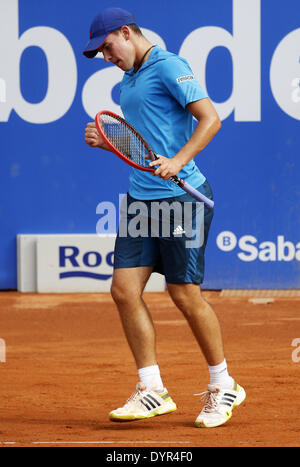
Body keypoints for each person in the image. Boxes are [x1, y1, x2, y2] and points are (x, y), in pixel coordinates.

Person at [83, 7, 246, 428]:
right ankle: (152, 389)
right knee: (123, 290)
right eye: (100, 53)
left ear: (126, 32)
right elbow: (141, 147)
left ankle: (223, 383)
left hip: (181, 199)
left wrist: (179, 160)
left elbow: (211, 119)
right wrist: (106, 145)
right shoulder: (128, 81)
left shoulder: (169, 66)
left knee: (184, 294)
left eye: (107, 47)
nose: (106, 57)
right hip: (142, 200)